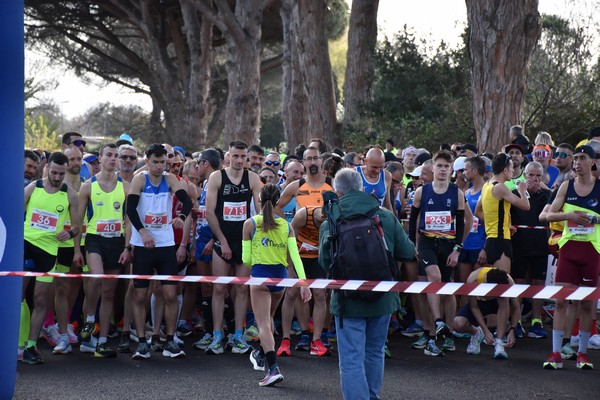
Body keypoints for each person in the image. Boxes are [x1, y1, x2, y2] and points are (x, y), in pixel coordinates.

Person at [319, 168, 415, 400]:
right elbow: (407, 251)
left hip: (347, 299)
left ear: (337, 191)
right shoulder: (384, 215)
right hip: (382, 297)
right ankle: (372, 396)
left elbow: (325, 262)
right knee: (374, 352)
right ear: (362, 187)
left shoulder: (332, 219)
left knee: (351, 357)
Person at [126, 143, 193, 360]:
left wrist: (181, 218)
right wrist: (143, 233)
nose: (159, 166)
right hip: (143, 244)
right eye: (155, 162)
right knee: (139, 294)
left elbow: (187, 201)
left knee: (170, 294)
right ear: (147, 161)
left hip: (165, 245)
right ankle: (143, 342)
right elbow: (130, 210)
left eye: (163, 162)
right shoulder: (140, 179)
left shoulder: (170, 179)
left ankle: (170, 340)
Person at [243, 184, 312, 387]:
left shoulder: (250, 224)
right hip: (280, 279)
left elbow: (245, 259)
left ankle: (273, 368)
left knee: (263, 323)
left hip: (260, 277)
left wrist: (258, 260)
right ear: (278, 200)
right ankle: (262, 354)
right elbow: (295, 257)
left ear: (259, 199)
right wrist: (304, 282)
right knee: (269, 320)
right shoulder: (286, 225)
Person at [408, 150, 472, 356]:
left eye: (447, 166)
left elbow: (462, 224)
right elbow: (412, 221)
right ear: (433, 168)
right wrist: (413, 244)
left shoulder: (457, 193)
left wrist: (457, 249)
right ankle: (436, 325)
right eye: (440, 166)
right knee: (433, 277)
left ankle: (449, 333)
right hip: (427, 242)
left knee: (448, 289)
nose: (443, 169)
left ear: (451, 169)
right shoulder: (422, 192)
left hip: (449, 244)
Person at [543, 145, 600, 371]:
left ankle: (582, 354)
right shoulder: (566, 186)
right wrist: (568, 215)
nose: (576, 162)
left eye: (582, 158)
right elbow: (546, 215)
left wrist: (593, 220)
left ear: (592, 162)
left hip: (592, 252)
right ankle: (556, 352)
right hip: (568, 250)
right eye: (575, 158)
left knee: (587, 305)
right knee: (560, 301)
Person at [22, 152, 80, 365]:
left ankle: (30, 346)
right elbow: (15, 211)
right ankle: (13, 343)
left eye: (61, 174)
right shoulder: (33, 187)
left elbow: (76, 227)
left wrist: (70, 234)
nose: (57, 177)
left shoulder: (70, 195)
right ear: (46, 168)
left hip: (49, 251)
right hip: (26, 245)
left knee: (40, 301)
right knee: (16, 296)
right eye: (54, 172)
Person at [74, 143, 131, 358]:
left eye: (116, 156)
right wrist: (77, 250)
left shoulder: (125, 186)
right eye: (109, 155)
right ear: (100, 158)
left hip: (116, 241)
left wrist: (127, 247)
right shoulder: (88, 186)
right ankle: (89, 321)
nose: (113, 159)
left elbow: (129, 221)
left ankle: (103, 341)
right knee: (96, 279)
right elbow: (78, 222)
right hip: (95, 240)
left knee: (108, 293)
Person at [205, 140, 261, 355]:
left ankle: (238, 335)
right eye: (235, 156)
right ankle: (217, 335)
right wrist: (222, 240)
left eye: (243, 157)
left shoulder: (253, 178)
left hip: (244, 241)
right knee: (219, 288)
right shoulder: (217, 177)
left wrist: (256, 238)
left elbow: (258, 210)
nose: (239, 160)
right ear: (228, 156)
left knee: (241, 288)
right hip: (223, 239)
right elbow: (210, 212)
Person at [509, 162, 550, 339]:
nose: (534, 179)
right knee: (517, 283)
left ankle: (536, 321)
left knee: (538, 284)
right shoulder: (515, 193)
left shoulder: (547, 195)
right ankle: (516, 322)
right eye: (531, 175)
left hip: (540, 245)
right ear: (524, 176)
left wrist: (544, 187)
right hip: (519, 245)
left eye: (538, 176)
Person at [475, 153, 530, 273]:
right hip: (501, 240)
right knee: (502, 285)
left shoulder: (486, 185)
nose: (513, 172)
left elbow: (477, 211)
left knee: (493, 284)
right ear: (505, 170)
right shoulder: (501, 187)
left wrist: (501, 224)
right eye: (511, 169)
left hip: (490, 240)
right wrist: (522, 191)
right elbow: (526, 206)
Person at [452, 267, 520, 359]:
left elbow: (516, 308)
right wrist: (485, 330)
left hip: (499, 304)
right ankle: (476, 333)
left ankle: (499, 343)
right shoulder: (473, 280)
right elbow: (474, 307)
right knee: (457, 323)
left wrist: (512, 330)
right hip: (480, 303)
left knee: (504, 301)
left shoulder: (508, 280)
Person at [357, 147, 393, 212]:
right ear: (365, 162)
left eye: (381, 167)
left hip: (379, 219)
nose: (378, 171)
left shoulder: (386, 176)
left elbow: (387, 204)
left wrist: (393, 221)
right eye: (374, 167)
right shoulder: (354, 174)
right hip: (359, 219)